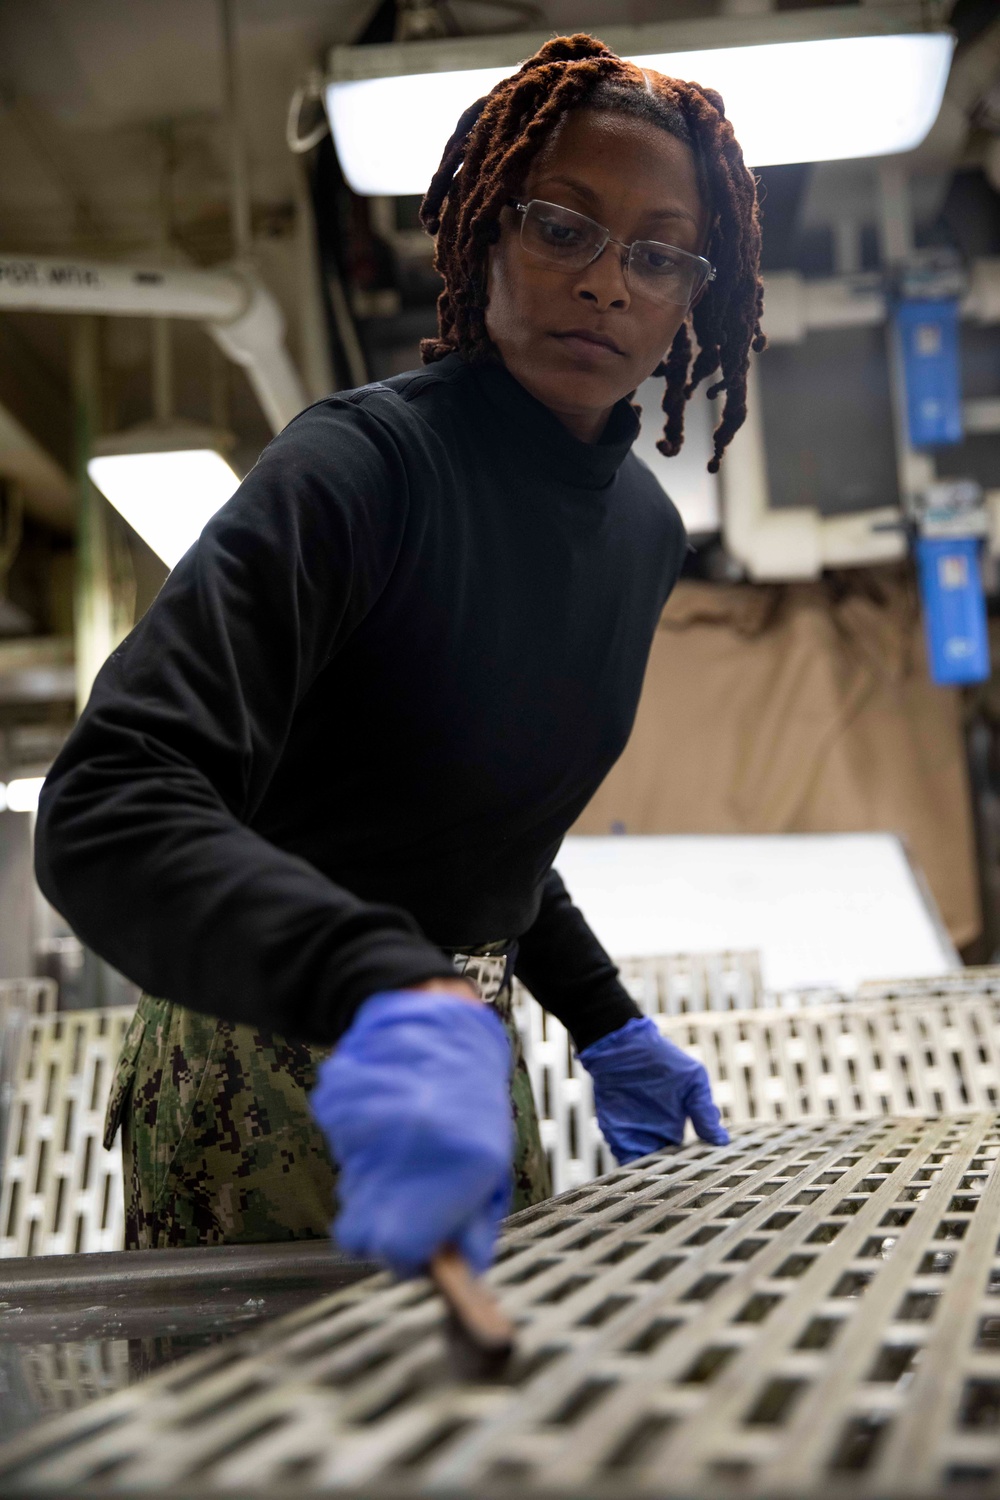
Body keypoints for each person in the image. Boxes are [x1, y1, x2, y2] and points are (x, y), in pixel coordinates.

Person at [34, 34, 765, 1276]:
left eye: (656, 252)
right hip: (279, 1053)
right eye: (563, 228)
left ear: (696, 290)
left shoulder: (640, 533)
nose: (607, 284)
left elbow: (474, 834)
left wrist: (601, 1023)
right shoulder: (359, 469)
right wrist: (375, 984)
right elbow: (107, 802)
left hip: (457, 1046)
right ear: (483, 238)